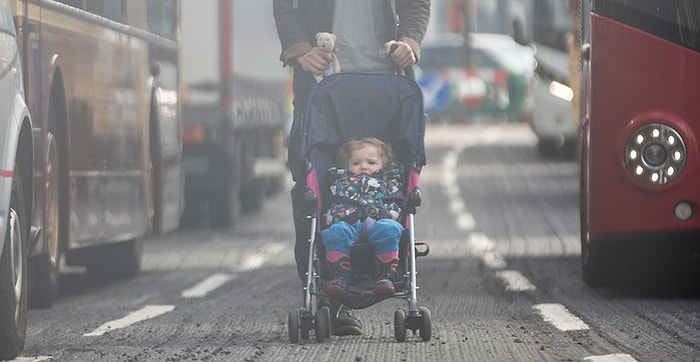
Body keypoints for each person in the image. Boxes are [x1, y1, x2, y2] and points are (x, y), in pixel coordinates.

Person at [273, 0, 431, 336]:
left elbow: (416, 5)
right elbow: (285, 7)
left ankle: (382, 273)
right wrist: (300, 51)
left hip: (390, 85)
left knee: (390, 184)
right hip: (322, 85)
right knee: (311, 189)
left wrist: (410, 42)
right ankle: (329, 299)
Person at [321, 138, 404, 297]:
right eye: (356, 163)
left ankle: (385, 276)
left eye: (371, 163)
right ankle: (339, 277)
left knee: (390, 228)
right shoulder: (340, 182)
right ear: (347, 166)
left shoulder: (389, 182)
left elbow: (397, 204)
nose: (363, 166)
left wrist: (388, 214)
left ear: (384, 165)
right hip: (348, 224)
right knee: (335, 232)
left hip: (379, 222)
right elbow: (332, 205)